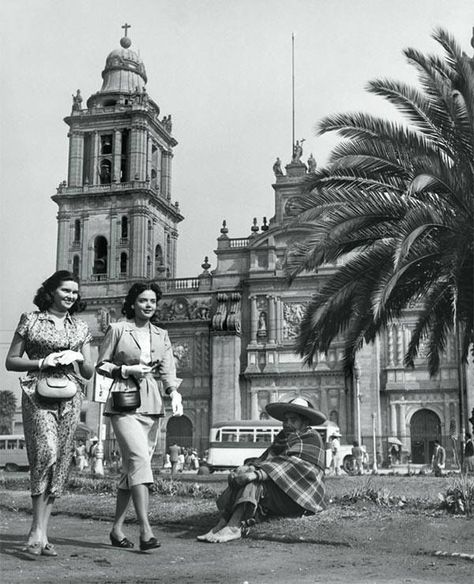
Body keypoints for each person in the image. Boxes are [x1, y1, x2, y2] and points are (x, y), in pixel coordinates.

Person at [5, 270, 93, 557]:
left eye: (75, 293)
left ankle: (42, 533)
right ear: (51, 291)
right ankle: (34, 529)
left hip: (70, 396)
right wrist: (43, 360)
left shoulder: (81, 327)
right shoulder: (30, 320)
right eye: (66, 290)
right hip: (37, 393)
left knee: (61, 461)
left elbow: (90, 372)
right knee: (46, 454)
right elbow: (11, 361)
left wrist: (79, 357)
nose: (71, 296)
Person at [96, 281, 183, 552]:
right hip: (123, 401)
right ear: (133, 303)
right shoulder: (118, 329)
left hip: (151, 401)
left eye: (152, 301)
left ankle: (117, 529)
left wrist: (174, 393)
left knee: (130, 470)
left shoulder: (161, 334)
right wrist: (126, 370)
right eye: (143, 300)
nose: (148, 305)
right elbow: (101, 364)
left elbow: (168, 369)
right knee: (138, 460)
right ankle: (146, 531)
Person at [197, 397, 327, 543]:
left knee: (254, 483)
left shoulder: (311, 438)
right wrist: (249, 468)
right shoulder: (282, 438)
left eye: (293, 420)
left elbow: (291, 465)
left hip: (300, 497)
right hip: (283, 490)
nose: (288, 424)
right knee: (245, 476)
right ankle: (222, 523)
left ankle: (234, 527)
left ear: (305, 422)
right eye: (286, 420)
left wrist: (255, 474)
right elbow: (266, 460)